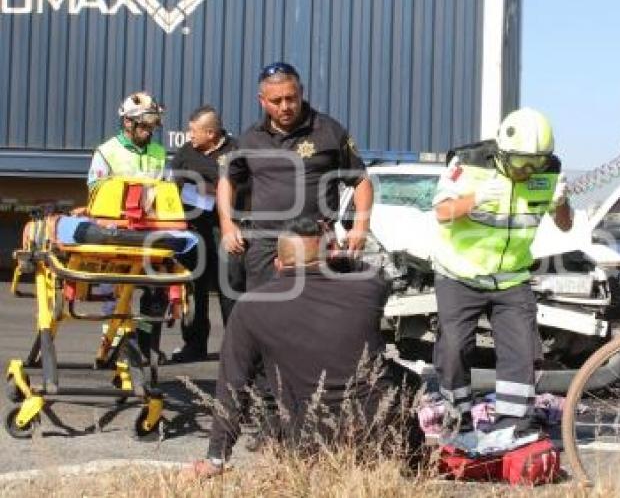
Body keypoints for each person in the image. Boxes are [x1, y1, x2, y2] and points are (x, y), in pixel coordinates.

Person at [183, 217, 418, 477]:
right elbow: (377, 273)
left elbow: (232, 387)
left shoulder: (251, 308)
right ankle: (412, 471)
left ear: (277, 265)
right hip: (379, 437)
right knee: (409, 381)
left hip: (308, 442)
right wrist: (338, 256)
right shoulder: (366, 288)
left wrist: (216, 459)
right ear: (330, 257)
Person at [431, 107, 573, 435]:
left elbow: (565, 225)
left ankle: (513, 429)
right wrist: (474, 199)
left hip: (511, 278)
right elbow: (441, 211)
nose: (527, 170)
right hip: (459, 274)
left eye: (535, 162)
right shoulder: (468, 163)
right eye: (521, 162)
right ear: (502, 151)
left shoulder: (548, 172)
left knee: (522, 352)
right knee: (454, 349)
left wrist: (562, 201)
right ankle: (457, 421)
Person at [217, 61, 373, 291]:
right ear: (262, 100)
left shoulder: (329, 131)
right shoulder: (250, 139)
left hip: (316, 243)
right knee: (265, 314)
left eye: (291, 98)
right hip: (266, 246)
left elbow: (361, 181)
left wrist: (361, 226)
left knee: (317, 318)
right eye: (276, 101)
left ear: (302, 93)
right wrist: (227, 224)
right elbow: (226, 180)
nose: (285, 107)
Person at [88, 91, 168, 364]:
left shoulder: (158, 153)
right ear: (127, 123)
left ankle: (145, 345)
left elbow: (164, 189)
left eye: (152, 126)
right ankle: (112, 345)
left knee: (157, 293)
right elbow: (95, 192)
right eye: (144, 126)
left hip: (148, 231)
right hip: (115, 233)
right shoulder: (107, 152)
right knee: (115, 292)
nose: (149, 132)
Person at [168, 105, 247, 363]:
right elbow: (173, 182)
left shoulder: (236, 151)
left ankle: (235, 348)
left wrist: (215, 191)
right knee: (194, 287)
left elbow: (245, 186)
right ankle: (194, 344)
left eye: (194, 131)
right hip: (194, 231)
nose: (190, 136)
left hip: (225, 229)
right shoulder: (186, 153)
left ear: (211, 133)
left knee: (230, 287)